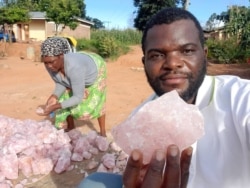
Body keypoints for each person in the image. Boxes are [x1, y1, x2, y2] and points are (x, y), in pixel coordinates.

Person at [78, 7, 250, 188]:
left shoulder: (239, 97)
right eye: (157, 55)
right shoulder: (142, 120)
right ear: (145, 63)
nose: (172, 63)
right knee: (91, 184)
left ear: (204, 56)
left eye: (187, 51)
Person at [38, 37, 107, 137]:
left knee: (98, 103)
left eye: (51, 62)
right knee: (64, 96)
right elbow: (61, 82)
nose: (48, 66)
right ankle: (71, 126)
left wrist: (56, 106)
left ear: (61, 56)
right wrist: (54, 96)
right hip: (80, 64)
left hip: (95, 68)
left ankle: (103, 131)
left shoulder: (75, 68)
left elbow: (78, 97)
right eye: (45, 62)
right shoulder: (50, 63)